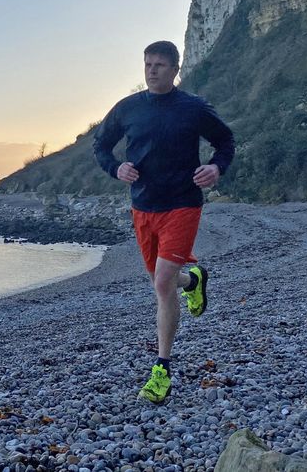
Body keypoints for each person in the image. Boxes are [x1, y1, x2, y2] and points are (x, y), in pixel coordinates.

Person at [93, 40, 235, 404]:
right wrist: (116, 167)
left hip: (183, 204)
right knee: (166, 281)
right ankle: (194, 279)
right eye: (147, 64)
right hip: (143, 207)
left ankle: (162, 369)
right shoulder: (127, 109)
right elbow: (101, 146)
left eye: (159, 65)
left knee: (160, 284)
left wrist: (216, 167)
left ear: (174, 69)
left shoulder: (192, 108)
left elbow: (224, 141)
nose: (151, 70)